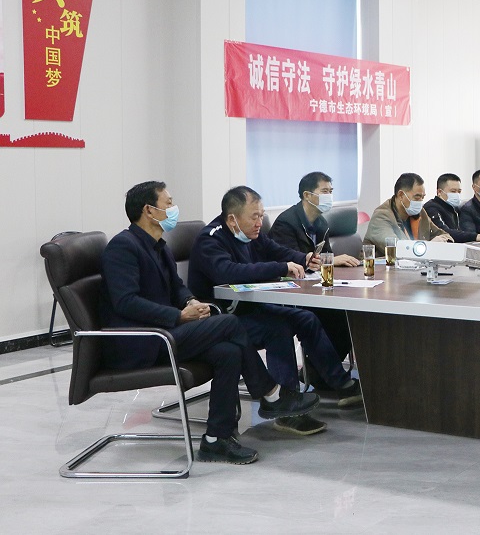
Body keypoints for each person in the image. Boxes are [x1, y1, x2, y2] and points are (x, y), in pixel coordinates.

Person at [99, 181, 319, 463]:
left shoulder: (158, 245)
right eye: (168, 203)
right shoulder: (123, 247)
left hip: (165, 332)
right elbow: (126, 302)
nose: (173, 208)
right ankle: (270, 393)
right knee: (228, 323)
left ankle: (216, 439)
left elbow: (177, 288)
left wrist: (190, 301)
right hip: (141, 342)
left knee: (228, 352)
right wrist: (178, 315)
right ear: (149, 211)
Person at [188, 186, 362, 434]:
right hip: (222, 319)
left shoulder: (251, 234)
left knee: (305, 318)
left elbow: (275, 250)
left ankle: (340, 384)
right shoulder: (211, 240)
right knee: (277, 327)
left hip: (248, 309)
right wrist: (281, 267)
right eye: (254, 217)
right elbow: (228, 272)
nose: (260, 222)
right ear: (232, 219)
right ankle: (286, 408)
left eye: (261, 216)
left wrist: (303, 258)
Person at [268, 171, 359, 394]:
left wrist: (330, 261)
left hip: (314, 289)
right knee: (329, 316)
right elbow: (289, 264)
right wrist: (329, 261)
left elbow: (323, 257)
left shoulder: (320, 222)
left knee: (347, 315)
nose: (329, 196)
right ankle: (327, 376)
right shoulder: (286, 223)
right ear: (307, 195)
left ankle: (318, 373)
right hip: (290, 293)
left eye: (331, 191)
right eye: (324, 191)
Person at [363, 172, 453, 254]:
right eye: (417, 197)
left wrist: (443, 242)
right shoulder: (381, 216)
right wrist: (429, 245)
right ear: (401, 195)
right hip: (381, 265)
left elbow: (445, 235)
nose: (420, 201)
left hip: (414, 264)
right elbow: (397, 248)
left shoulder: (420, 213)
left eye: (422, 197)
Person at [423, 173, 480, 243]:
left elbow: (468, 226)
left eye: (459, 191)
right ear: (439, 192)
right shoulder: (431, 208)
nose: (457, 194)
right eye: (453, 191)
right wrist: (477, 237)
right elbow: (444, 232)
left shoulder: (456, 208)